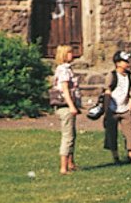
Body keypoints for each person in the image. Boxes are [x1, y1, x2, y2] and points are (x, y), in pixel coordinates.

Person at [103, 50, 131, 164]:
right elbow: (107, 92)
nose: (127, 63)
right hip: (113, 109)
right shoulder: (112, 75)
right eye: (124, 61)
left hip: (125, 108)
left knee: (130, 133)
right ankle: (115, 156)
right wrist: (106, 109)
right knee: (111, 133)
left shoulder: (130, 76)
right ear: (117, 63)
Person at [51, 44, 80, 174]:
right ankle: (63, 167)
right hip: (65, 106)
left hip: (68, 105)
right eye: (69, 53)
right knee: (67, 136)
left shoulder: (67, 69)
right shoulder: (63, 70)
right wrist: (71, 106)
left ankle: (71, 163)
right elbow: (65, 90)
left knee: (72, 134)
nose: (72, 55)